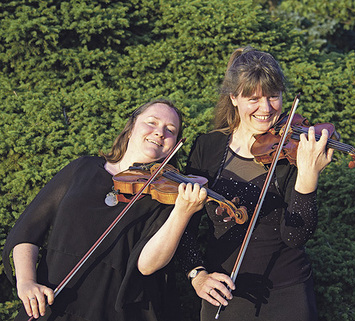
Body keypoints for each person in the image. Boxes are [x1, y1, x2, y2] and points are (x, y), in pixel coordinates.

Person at [2, 99, 207, 321]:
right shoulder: (82, 168)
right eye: (152, 122)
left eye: (170, 130)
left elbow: (147, 265)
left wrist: (182, 212)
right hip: (49, 303)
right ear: (131, 128)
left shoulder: (165, 196)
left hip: (111, 312)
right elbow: (28, 230)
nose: (159, 133)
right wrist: (26, 282)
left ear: (175, 143)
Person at [177, 46, 334, 320]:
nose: (266, 109)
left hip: (289, 293)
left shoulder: (294, 151)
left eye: (274, 97)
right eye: (253, 98)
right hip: (225, 291)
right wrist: (197, 275)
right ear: (234, 98)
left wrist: (309, 176)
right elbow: (184, 225)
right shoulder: (207, 147)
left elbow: (295, 236)